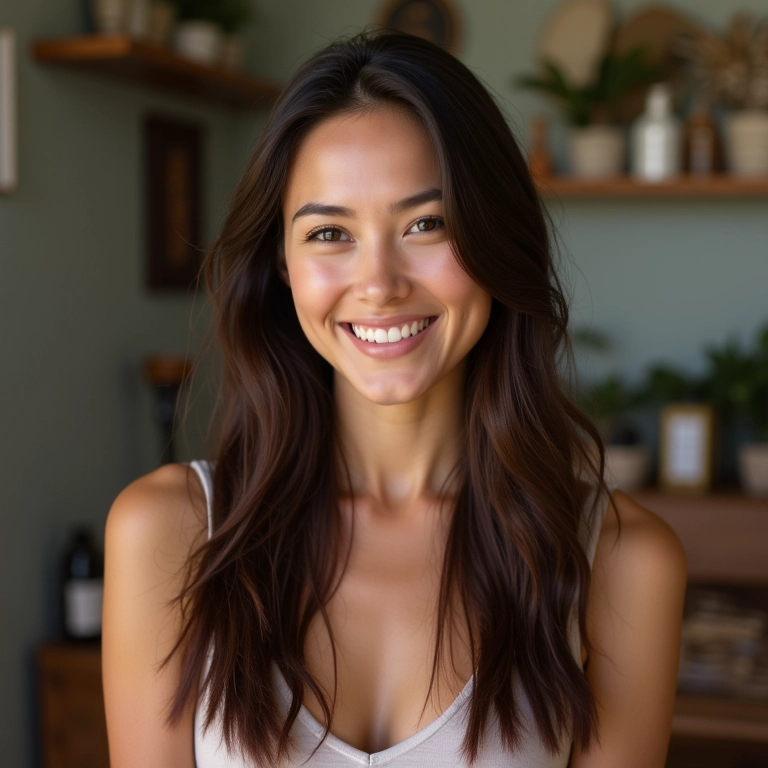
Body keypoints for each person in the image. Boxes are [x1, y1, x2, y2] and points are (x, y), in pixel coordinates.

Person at [102, 30, 687, 768]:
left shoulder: (620, 563)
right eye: (329, 233)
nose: (379, 283)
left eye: (426, 224)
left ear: (497, 238)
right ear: (281, 265)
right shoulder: (170, 533)